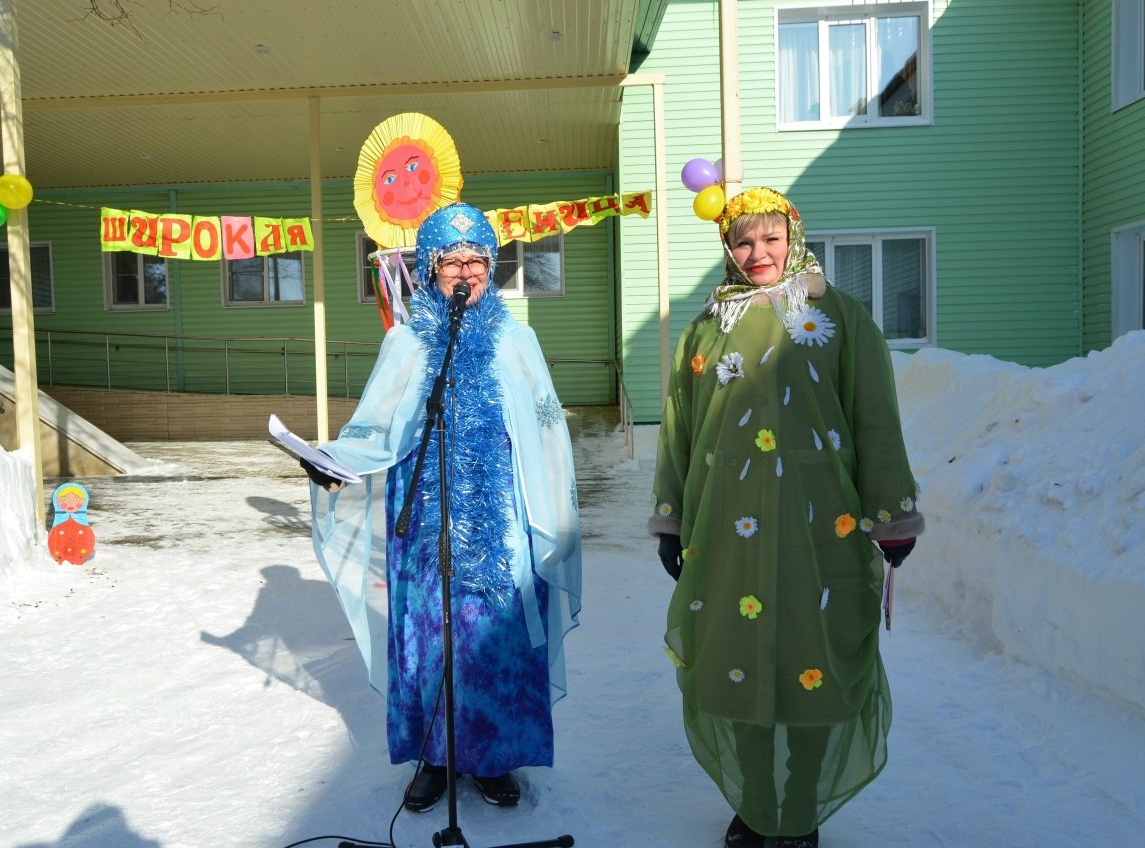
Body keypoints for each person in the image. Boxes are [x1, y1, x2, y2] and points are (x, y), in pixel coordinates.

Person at [648, 187, 923, 848]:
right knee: (735, 660)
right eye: (743, 241)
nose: (758, 252)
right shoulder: (706, 326)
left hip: (819, 527)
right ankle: (753, 801)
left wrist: (892, 515)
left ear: (793, 238)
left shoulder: (839, 316)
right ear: (727, 247)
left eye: (770, 238)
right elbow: (680, 432)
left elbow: (874, 417)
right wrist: (673, 518)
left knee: (810, 660)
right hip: (727, 527)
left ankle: (800, 803)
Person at [302, 202, 582, 812]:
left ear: (491, 265)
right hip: (422, 516)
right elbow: (375, 424)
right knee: (428, 637)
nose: (464, 271)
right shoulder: (405, 341)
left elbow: (546, 426)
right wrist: (333, 462)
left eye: (475, 260)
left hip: (502, 514)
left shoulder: (519, 338)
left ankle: (496, 756)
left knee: (494, 637)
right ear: (430, 270)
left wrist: (549, 500)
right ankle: (433, 758)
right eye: (450, 261)